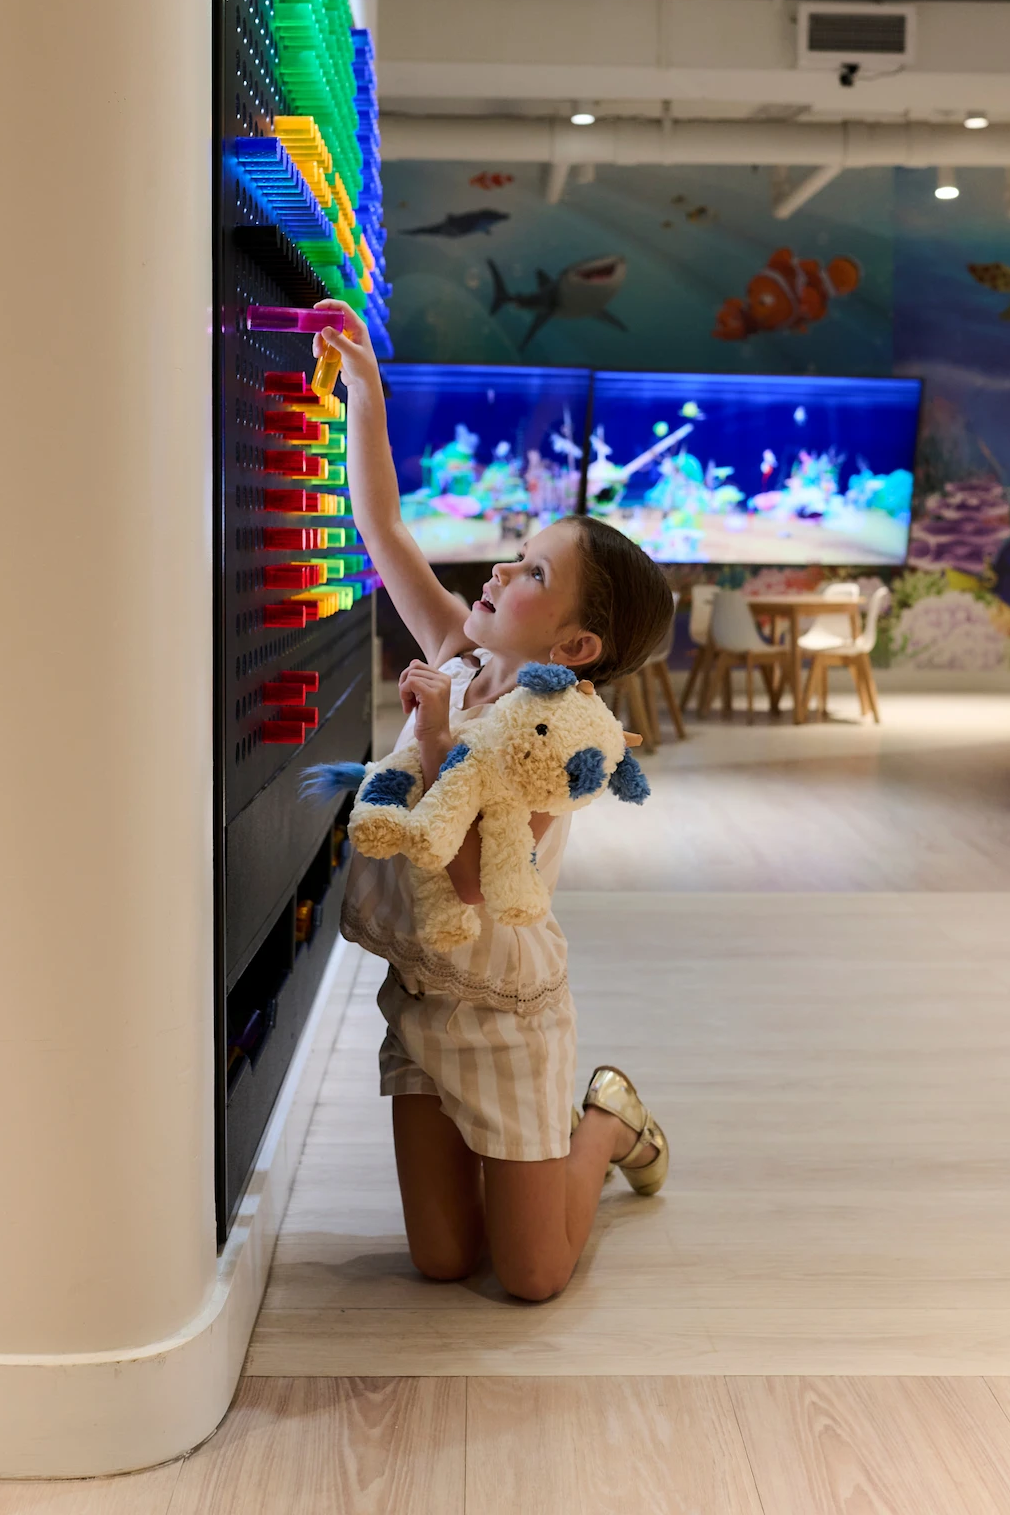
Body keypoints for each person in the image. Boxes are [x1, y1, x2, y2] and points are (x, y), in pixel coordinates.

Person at [314, 301, 675, 1302]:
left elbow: (473, 880)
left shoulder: (554, 742)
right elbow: (379, 526)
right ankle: (561, 1138)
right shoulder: (459, 655)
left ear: (574, 650)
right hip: (419, 991)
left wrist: (432, 746)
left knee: (530, 1279)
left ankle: (604, 1118)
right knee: (439, 1262)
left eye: (531, 574)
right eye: (514, 555)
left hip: (504, 1008)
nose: (498, 570)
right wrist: (366, 396)